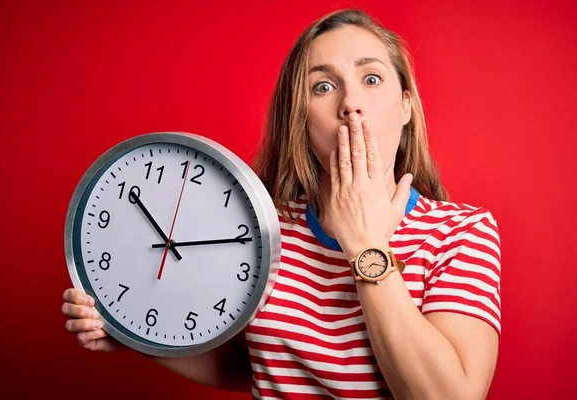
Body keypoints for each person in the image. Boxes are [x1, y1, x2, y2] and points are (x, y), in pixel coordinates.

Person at [62, 8, 501, 399]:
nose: (351, 105)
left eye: (371, 79)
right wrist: (134, 336)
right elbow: (246, 365)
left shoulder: (463, 233)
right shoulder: (261, 227)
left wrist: (364, 243)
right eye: (323, 86)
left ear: (405, 105)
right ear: (300, 117)